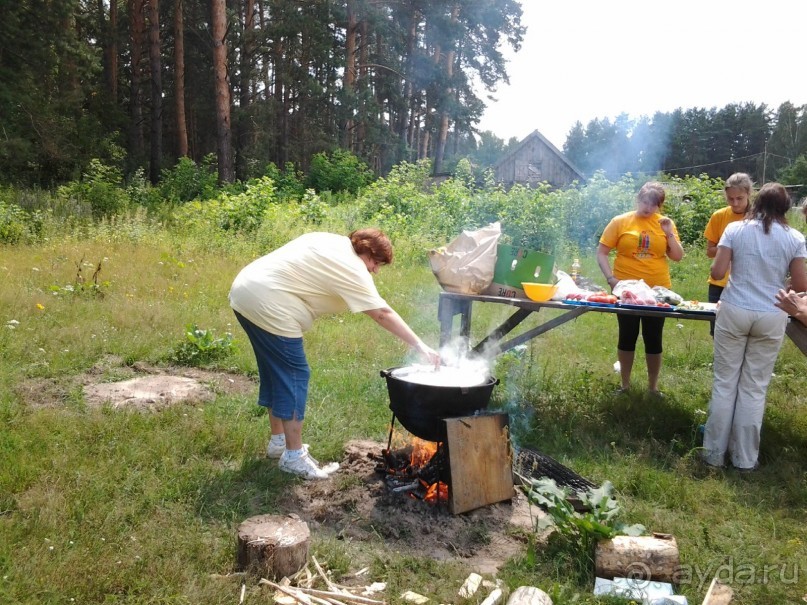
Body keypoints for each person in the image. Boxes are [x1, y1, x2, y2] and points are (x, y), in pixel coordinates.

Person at [229, 228, 441, 480]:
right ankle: (293, 457)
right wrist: (420, 345)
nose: (375, 270)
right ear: (365, 250)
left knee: (276, 372)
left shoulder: (332, 241)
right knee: (294, 374)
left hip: (246, 291)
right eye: (375, 262)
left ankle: (279, 442)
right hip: (270, 303)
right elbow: (382, 313)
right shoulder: (351, 266)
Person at [702, 183, 807, 471]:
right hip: (771, 313)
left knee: (725, 383)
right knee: (754, 388)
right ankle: (745, 459)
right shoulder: (795, 237)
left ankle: (713, 455)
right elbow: (801, 286)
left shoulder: (735, 229)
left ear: (756, 202)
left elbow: (717, 272)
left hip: (735, 308)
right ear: (786, 208)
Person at [597, 181, 684, 394]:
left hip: (657, 291)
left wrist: (669, 233)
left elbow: (677, 256)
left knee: (654, 337)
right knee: (627, 335)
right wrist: (611, 279)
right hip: (627, 290)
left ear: (660, 205)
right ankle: (625, 385)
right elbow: (602, 252)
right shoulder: (620, 221)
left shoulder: (665, 223)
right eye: (645, 202)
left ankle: (652, 388)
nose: (648, 207)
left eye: (654, 204)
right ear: (638, 199)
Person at [703, 173, 753, 335]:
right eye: (731, 199)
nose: (735, 203)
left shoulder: (758, 217)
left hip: (748, 284)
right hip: (719, 284)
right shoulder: (719, 216)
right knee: (717, 332)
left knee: (744, 332)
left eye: (739, 198)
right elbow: (710, 251)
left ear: (748, 194)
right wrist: (729, 248)